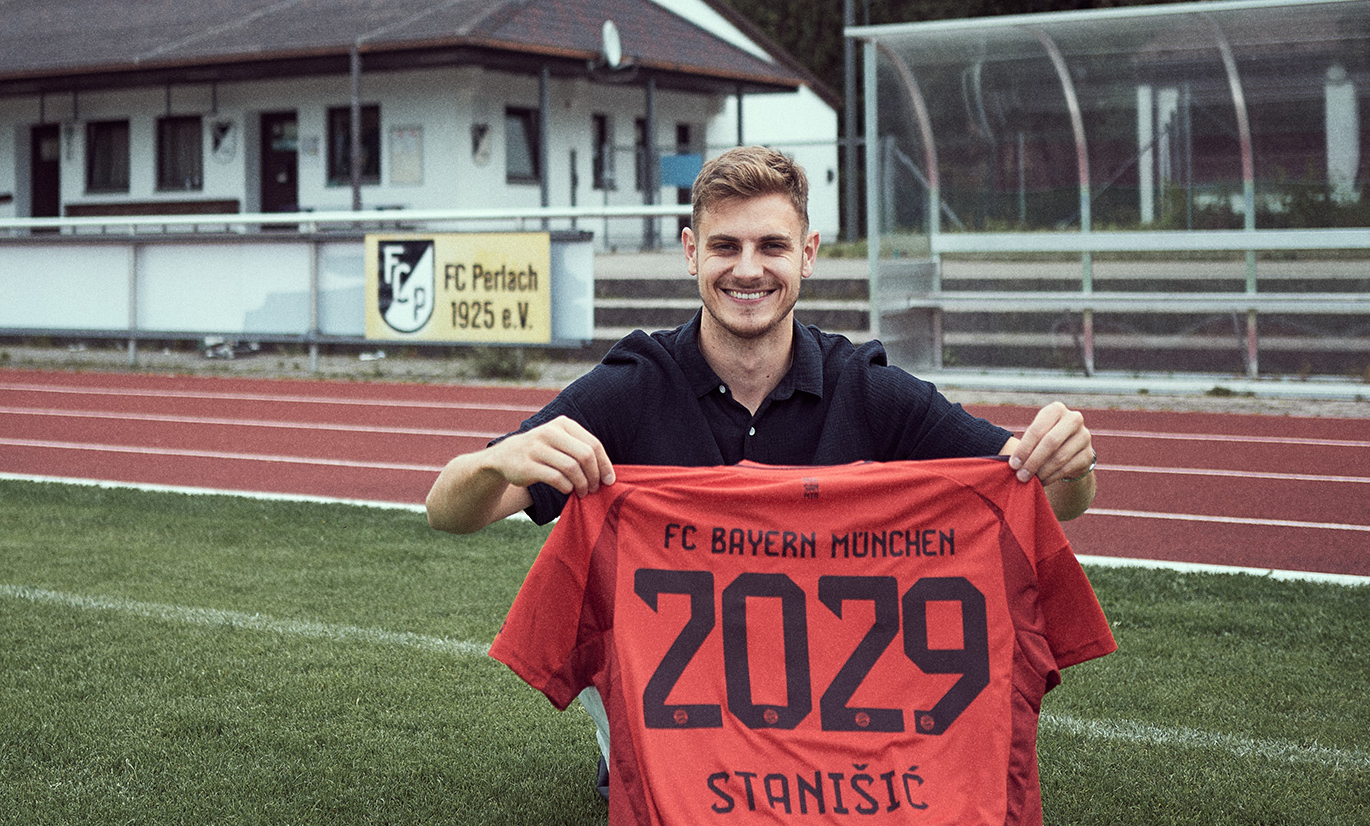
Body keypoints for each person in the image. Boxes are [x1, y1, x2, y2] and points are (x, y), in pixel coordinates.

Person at [424, 146, 1098, 792]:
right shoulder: (634, 385)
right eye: (725, 247)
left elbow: (1041, 494)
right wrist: (494, 461)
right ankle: (631, 756)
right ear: (692, 254)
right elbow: (448, 511)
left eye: (771, 246)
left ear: (807, 255)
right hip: (675, 696)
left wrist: (1068, 461)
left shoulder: (864, 387)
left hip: (822, 686)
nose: (748, 270)